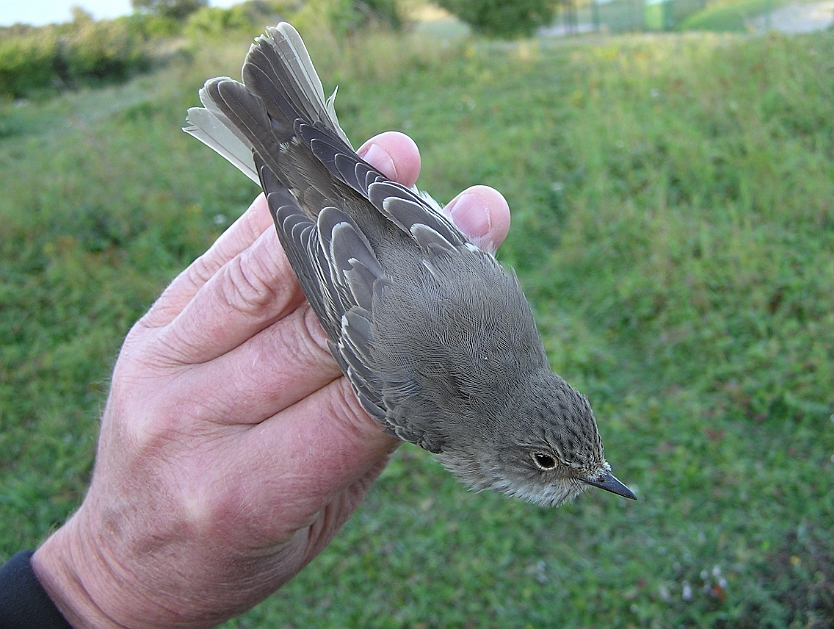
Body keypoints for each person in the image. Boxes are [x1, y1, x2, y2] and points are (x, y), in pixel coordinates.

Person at [0, 131, 511, 628]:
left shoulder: (515, 329)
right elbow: (344, 314)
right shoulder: (440, 422)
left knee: (364, 165)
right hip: (352, 259)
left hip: (390, 217)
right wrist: (94, 589)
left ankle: (298, 145)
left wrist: (96, 589)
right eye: (544, 461)